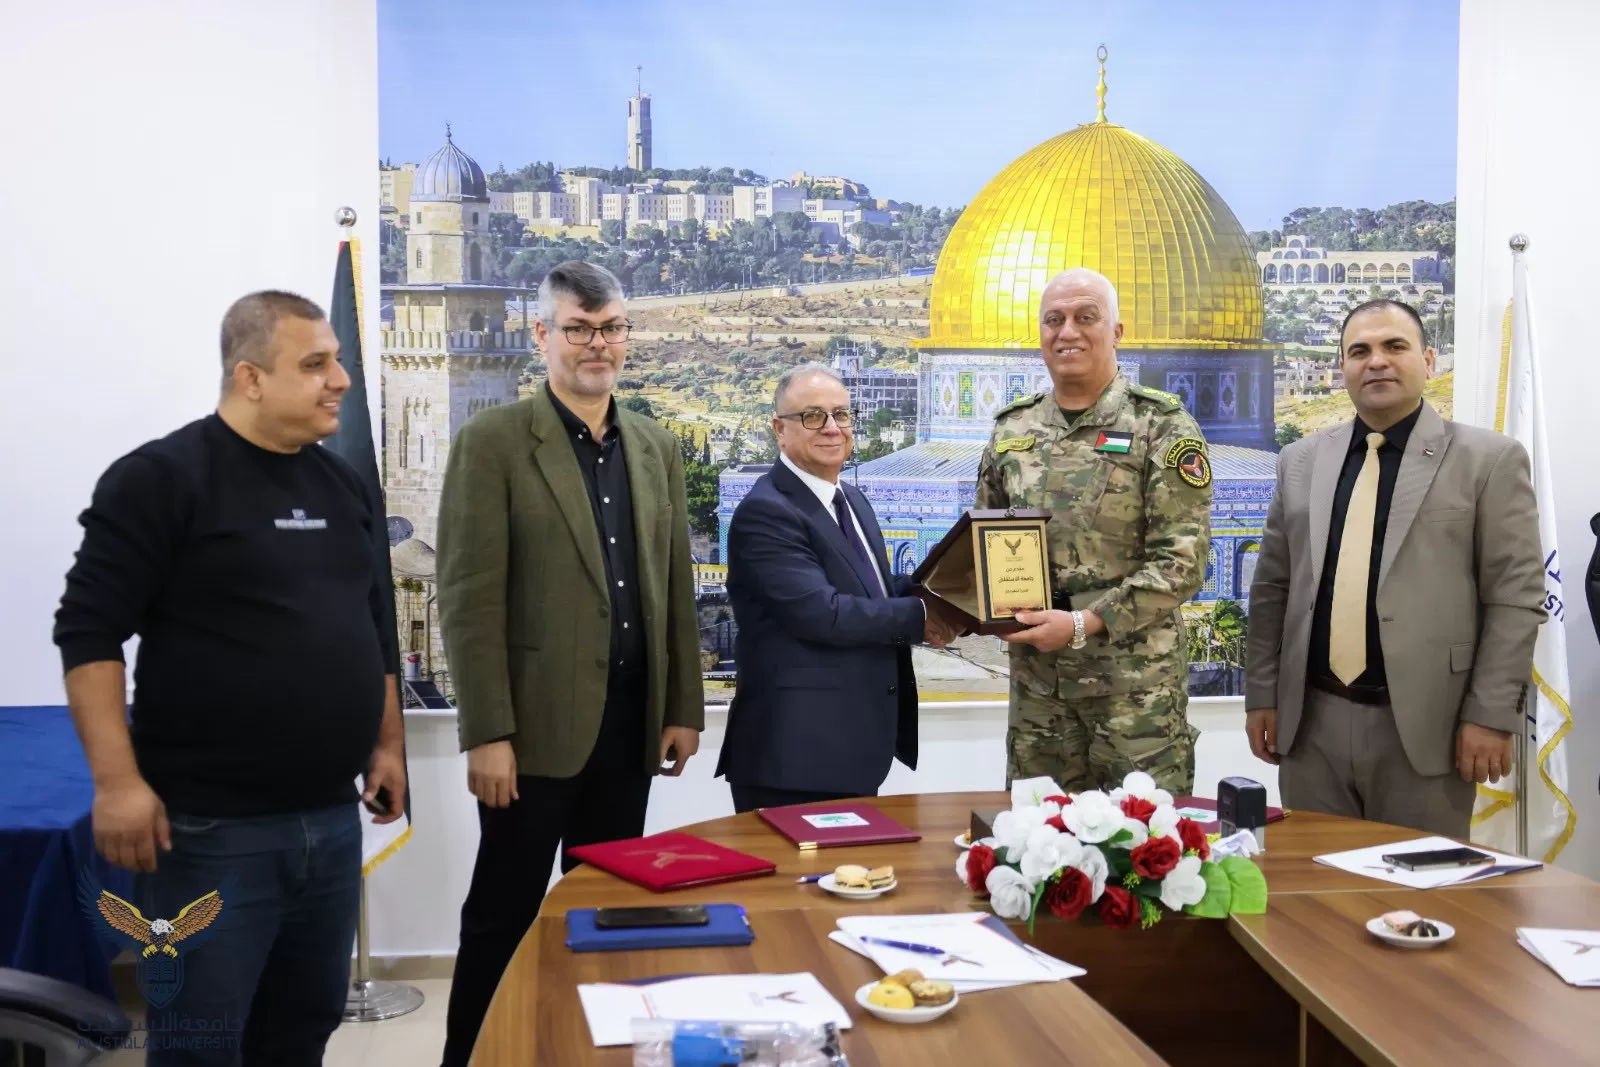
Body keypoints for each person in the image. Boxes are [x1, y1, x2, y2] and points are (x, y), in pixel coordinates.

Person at [53, 291, 406, 1066]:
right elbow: (88, 632)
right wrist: (117, 782)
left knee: (302, 1029)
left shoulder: (343, 485)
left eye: (336, 360)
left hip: (330, 820)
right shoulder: (161, 479)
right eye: (315, 364)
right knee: (202, 1043)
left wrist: (387, 745)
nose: (341, 379)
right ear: (251, 378)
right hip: (211, 833)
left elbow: (372, 624)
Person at [436, 260, 704, 1067]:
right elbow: (469, 599)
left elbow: (674, 589)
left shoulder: (654, 446)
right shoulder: (494, 443)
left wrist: (681, 706)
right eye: (579, 329)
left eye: (611, 328)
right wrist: (487, 732)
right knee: (503, 916)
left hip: (629, 728)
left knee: (610, 913)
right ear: (542, 334)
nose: (597, 344)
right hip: (530, 734)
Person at [1244, 299, 1544, 836]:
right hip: (1311, 725)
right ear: (1343, 368)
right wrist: (1262, 695)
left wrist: (1491, 715)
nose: (1377, 361)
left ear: (1427, 360)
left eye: (1394, 346)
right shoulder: (1300, 461)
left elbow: (1515, 598)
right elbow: (1273, 588)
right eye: (1359, 351)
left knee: (1421, 883)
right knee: (1317, 881)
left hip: (1430, 727)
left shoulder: (1488, 460)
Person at [974, 268, 1212, 794]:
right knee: (1037, 836)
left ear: (1117, 332)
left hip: (1134, 699)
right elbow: (982, 546)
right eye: (1053, 320)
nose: (1068, 332)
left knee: (1144, 838)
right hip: (1039, 694)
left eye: (1086, 317)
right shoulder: (1012, 430)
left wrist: (1084, 623)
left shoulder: (1161, 426)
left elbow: (1181, 562)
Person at [716, 364, 957, 813]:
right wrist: (925, 617)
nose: (831, 428)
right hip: (795, 759)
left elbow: (873, 590)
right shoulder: (767, 511)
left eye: (841, 415)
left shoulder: (851, 499)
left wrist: (951, 595)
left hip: (852, 750)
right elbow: (823, 614)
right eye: (813, 416)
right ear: (779, 429)